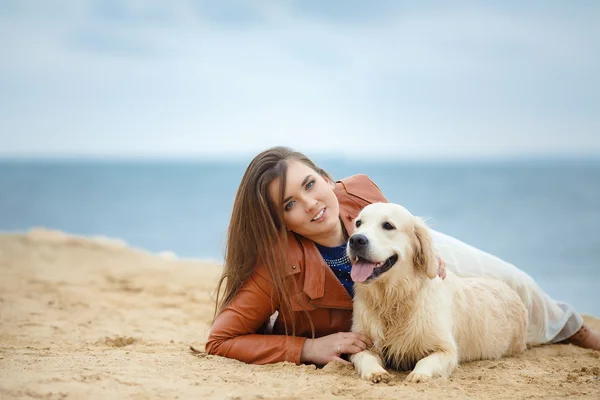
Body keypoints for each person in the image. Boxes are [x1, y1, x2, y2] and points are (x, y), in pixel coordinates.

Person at [205, 146, 600, 366]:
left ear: (326, 179)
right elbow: (220, 340)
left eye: (311, 184)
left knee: (515, 280)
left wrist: (429, 255)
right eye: (290, 203)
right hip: (376, 328)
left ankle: (573, 329)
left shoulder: (358, 192)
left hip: (410, 253)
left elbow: (392, 226)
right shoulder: (273, 269)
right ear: (281, 221)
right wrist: (307, 349)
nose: (311, 204)